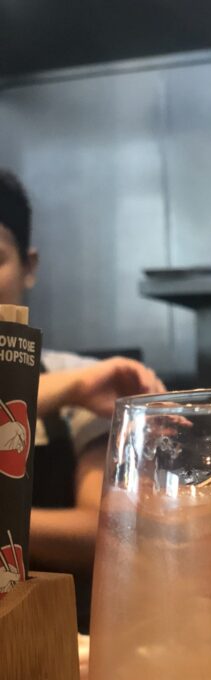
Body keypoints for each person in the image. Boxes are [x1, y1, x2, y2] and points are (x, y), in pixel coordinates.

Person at [0, 168, 164, 625]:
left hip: (58, 638)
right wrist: (66, 391)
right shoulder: (76, 384)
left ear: (29, 266)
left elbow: (105, 528)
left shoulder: (83, 378)